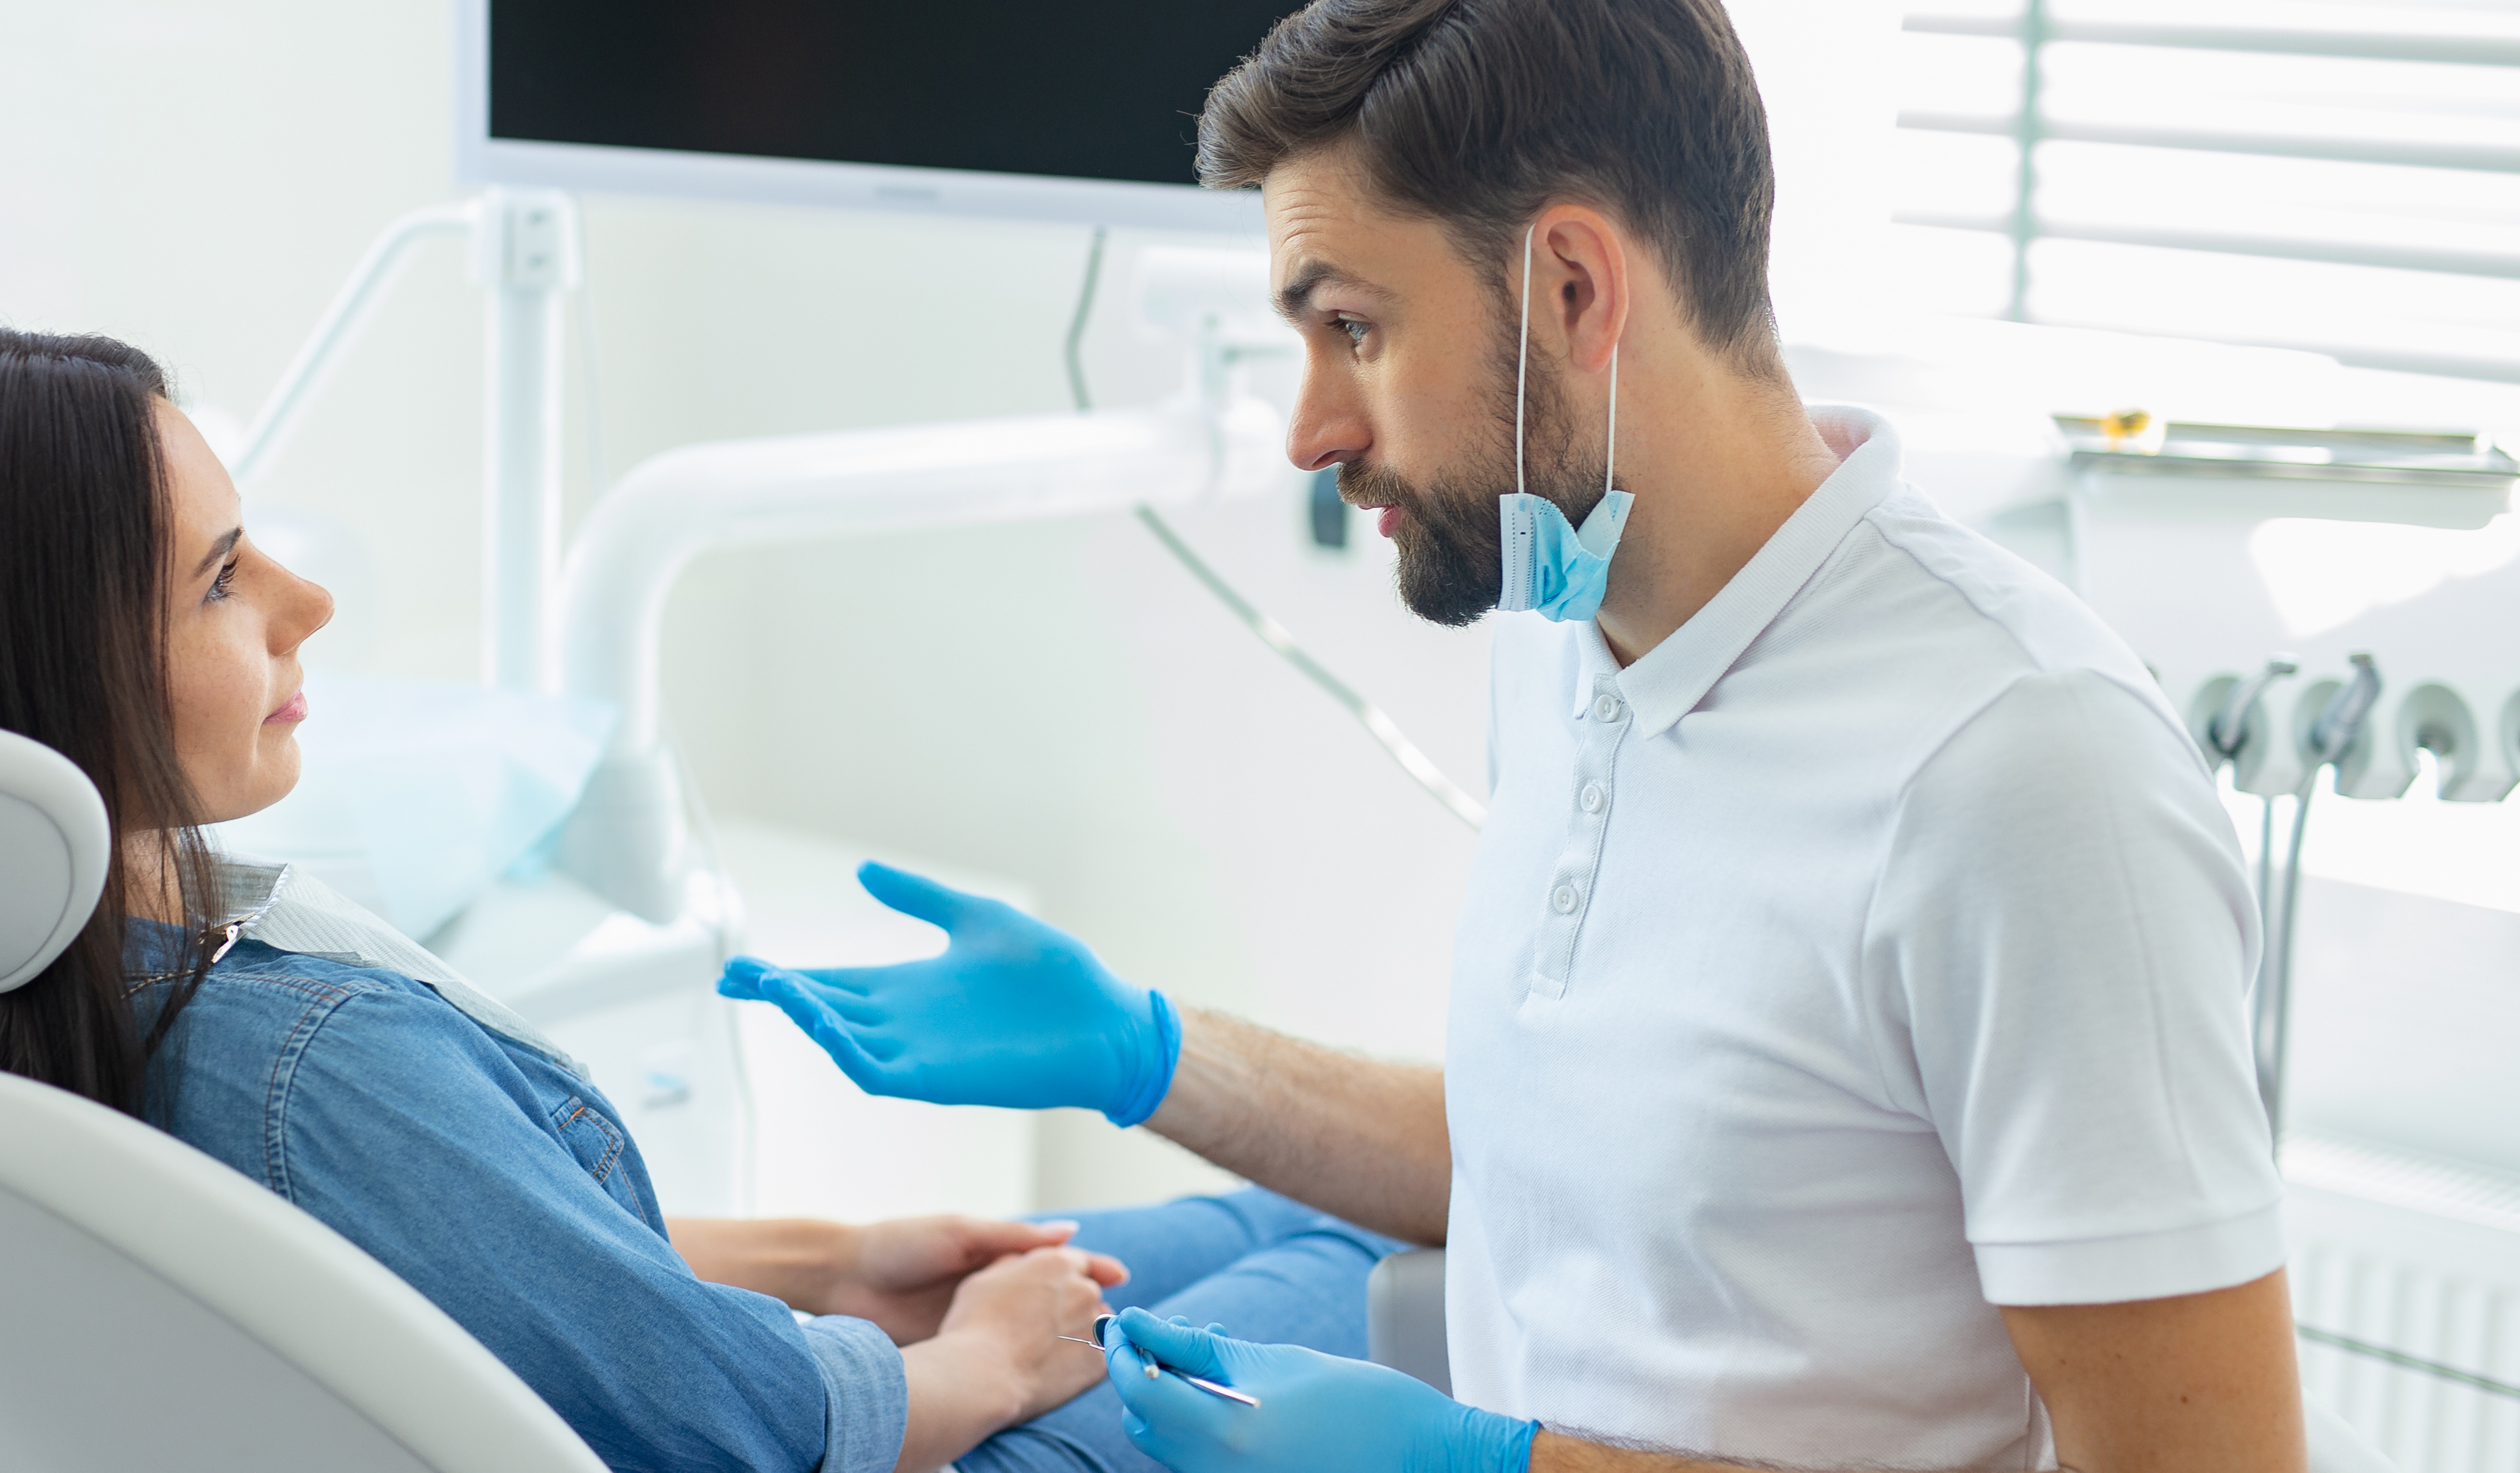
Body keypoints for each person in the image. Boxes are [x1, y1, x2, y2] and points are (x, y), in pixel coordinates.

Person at [723, 1, 2307, 1469]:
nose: (1309, 430)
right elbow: (1592, 1161)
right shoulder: (1573, 632)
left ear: (1571, 287)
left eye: (1351, 327)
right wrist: (1148, 1048)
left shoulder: (2023, 772)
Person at [0, 328, 1402, 1473]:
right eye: (225, 578)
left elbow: (435, 1284)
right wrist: (973, 1365)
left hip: (757, 1378)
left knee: (1263, 1225)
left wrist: (838, 1259)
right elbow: (745, 1438)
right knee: (1358, 1243)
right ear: (46, 681)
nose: (309, 599)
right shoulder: (307, 1067)